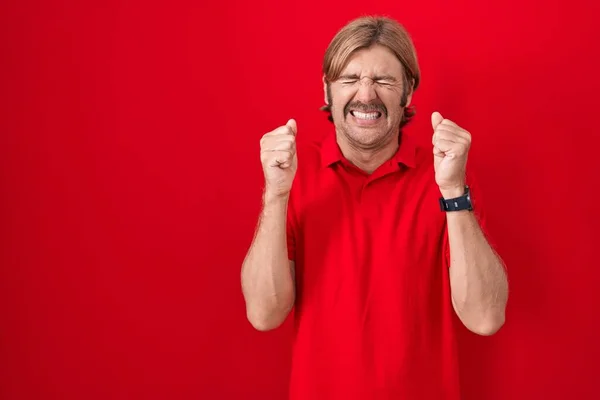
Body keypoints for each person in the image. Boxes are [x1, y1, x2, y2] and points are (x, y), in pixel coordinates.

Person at [241, 15, 509, 400]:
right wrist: (275, 195)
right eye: (350, 79)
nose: (366, 94)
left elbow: (485, 318)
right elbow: (264, 315)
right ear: (327, 90)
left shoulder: (446, 177)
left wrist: (452, 189)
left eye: (383, 80)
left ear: (408, 92)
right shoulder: (292, 177)